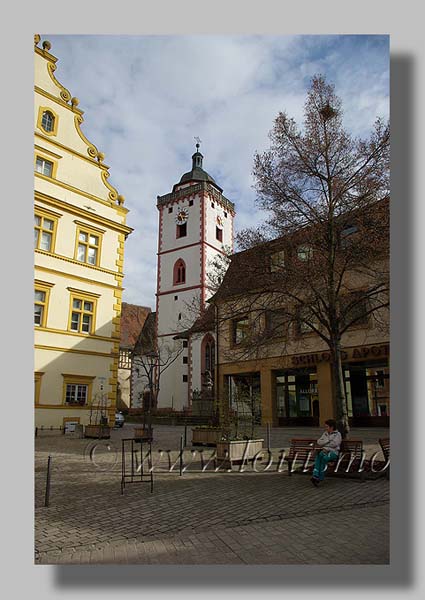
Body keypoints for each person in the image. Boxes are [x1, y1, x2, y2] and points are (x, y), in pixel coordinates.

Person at [311, 419, 342, 486]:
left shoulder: (337, 434)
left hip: (333, 453)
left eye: (327, 426)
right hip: (324, 451)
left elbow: (334, 444)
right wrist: (328, 440)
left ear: (331, 427)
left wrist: (326, 446)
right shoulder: (325, 433)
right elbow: (319, 442)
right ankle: (316, 476)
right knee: (320, 456)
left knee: (322, 457)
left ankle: (317, 476)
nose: (325, 428)